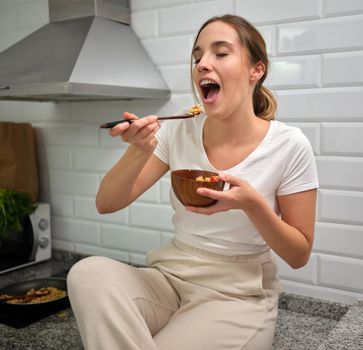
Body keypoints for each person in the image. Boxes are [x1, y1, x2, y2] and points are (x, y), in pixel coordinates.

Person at [67, 14, 318, 350]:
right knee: (88, 273)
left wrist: (253, 204)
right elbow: (106, 203)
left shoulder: (289, 145)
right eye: (197, 56)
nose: (203, 64)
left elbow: (299, 253)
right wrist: (139, 150)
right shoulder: (178, 129)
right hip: (170, 279)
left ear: (256, 70)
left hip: (237, 294)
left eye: (221, 53)